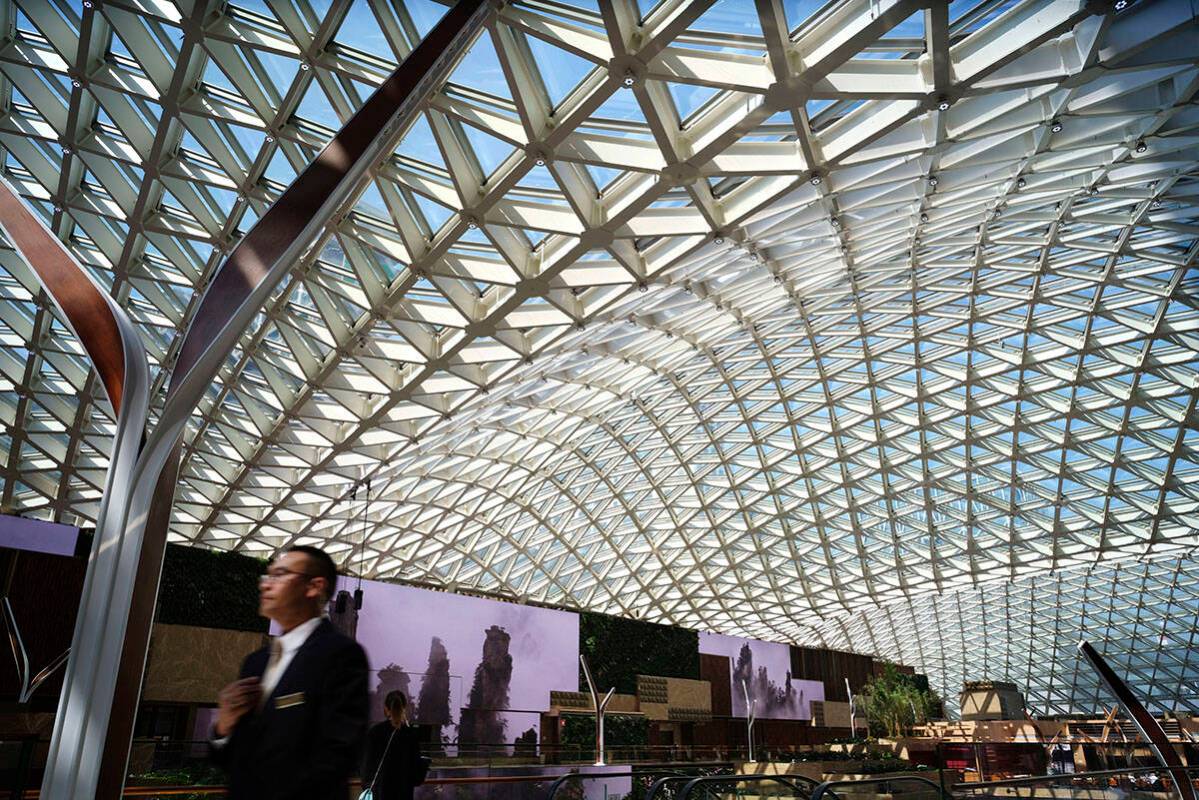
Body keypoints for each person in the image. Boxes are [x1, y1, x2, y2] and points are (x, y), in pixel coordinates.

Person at [211, 545, 370, 800]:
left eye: (280, 575)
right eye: (267, 575)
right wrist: (224, 727)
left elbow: (337, 756)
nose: (265, 585)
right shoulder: (255, 663)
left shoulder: (341, 656)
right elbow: (231, 761)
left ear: (314, 586)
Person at [361, 690, 423, 800]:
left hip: (380, 794)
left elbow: (366, 768)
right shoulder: (411, 735)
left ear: (386, 709)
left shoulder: (374, 732)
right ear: (404, 708)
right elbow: (417, 778)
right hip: (404, 794)